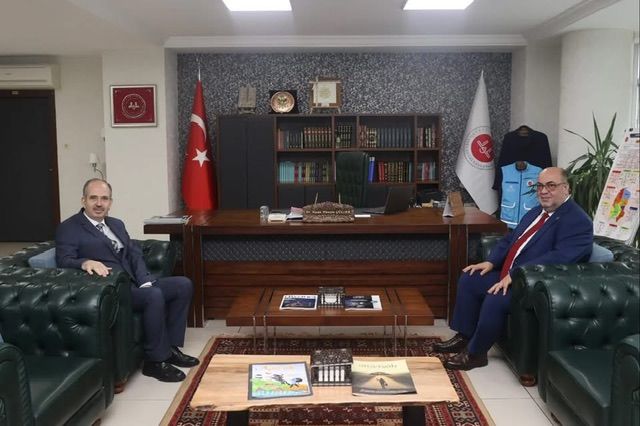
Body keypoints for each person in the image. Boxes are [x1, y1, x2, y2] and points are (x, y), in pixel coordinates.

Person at [434, 167, 593, 370]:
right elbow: (510, 239)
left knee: (495, 297)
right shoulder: (537, 212)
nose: (544, 191)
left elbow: (560, 258)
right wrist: (491, 262)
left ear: (566, 188)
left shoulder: (578, 221)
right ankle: (464, 336)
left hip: (535, 284)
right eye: (540, 186)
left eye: (551, 186)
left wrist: (517, 274)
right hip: (510, 275)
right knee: (470, 278)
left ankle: (476, 354)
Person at [56, 178, 199, 382]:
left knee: (183, 285)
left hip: (134, 283)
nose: (99, 203)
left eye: (104, 199)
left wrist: (144, 280)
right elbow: (64, 260)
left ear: (110, 202)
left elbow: (134, 253)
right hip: (110, 288)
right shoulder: (69, 227)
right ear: (83, 200)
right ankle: (155, 361)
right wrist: (85, 262)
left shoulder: (116, 224)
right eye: (93, 198)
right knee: (154, 296)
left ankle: (170, 348)